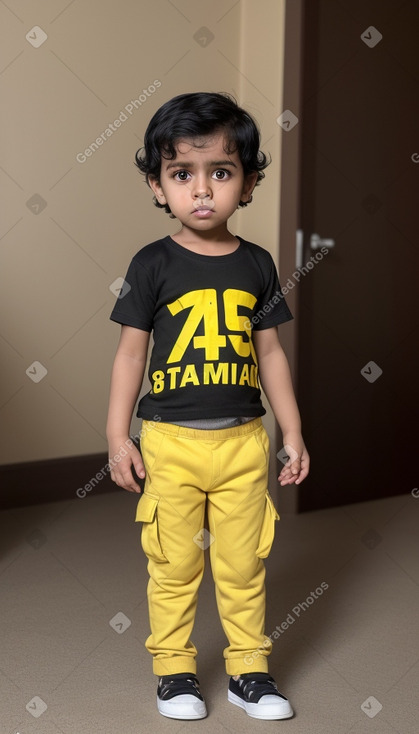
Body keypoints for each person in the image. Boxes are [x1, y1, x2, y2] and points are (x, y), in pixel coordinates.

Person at [106, 92, 309, 721]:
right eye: (181, 174)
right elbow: (128, 357)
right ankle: (175, 672)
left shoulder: (257, 264)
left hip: (245, 442)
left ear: (247, 184)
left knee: (243, 564)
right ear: (157, 185)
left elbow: (271, 355)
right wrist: (119, 437)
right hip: (170, 442)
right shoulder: (152, 263)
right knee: (173, 565)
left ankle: (250, 670)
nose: (202, 191)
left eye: (220, 173)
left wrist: (293, 433)